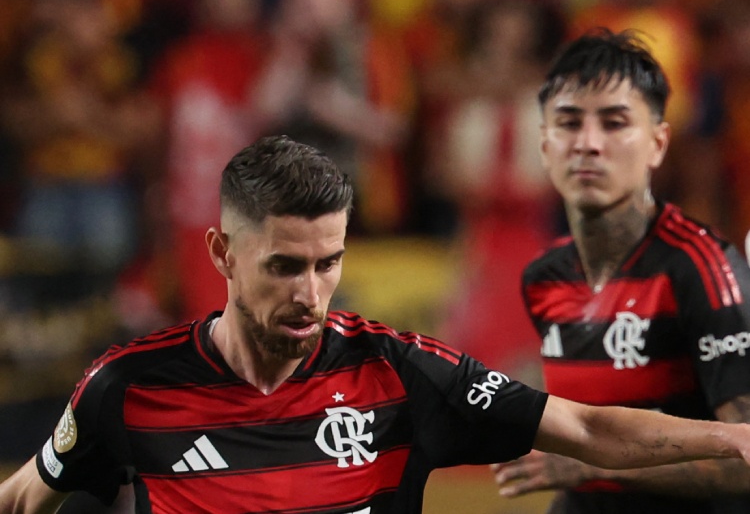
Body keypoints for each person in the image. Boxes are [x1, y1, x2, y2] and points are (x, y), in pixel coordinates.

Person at [3, 136, 750, 514]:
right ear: (223, 252)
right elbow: (24, 496)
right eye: (284, 266)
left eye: (328, 263)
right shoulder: (128, 387)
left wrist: (736, 439)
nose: (311, 293)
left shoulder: (399, 373)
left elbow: (586, 428)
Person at [490, 29, 750, 513]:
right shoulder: (543, 278)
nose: (588, 144)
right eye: (568, 123)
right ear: (544, 145)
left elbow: (746, 457)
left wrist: (595, 466)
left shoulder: (701, 267)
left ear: (657, 143)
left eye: (614, 123)